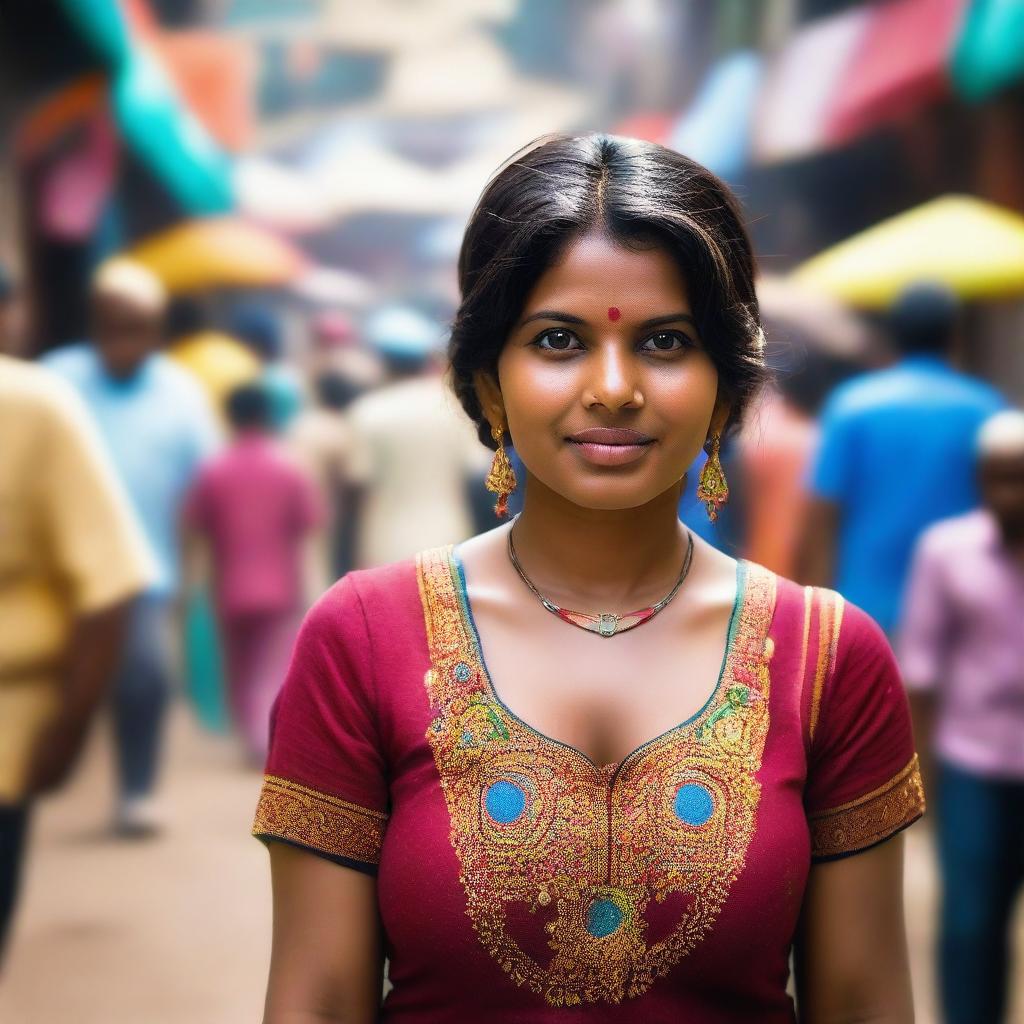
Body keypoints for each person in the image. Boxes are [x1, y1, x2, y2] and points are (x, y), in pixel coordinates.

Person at [253, 134, 925, 1022]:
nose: (614, 388)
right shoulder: (365, 637)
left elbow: (863, 999)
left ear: (726, 389)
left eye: (666, 342)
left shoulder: (826, 657)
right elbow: (317, 998)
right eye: (559, 339)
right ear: (488, 383)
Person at [43, 258, 221, 836]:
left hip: (143, 572)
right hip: (53, 571)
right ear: (94, 325)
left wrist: (195, 572)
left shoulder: (182, 394)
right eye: (112, 327)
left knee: (143, 677)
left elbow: (202, 491)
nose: (123, 342)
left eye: (137, 328)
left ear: (156, 330)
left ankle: (136, 789)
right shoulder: (56, 382)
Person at [0, 356, 152, 963]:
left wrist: (67, 729)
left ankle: (137, 790)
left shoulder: (37, 401)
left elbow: (108, 587)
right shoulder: (44, 394)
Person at [898, 408, 1024, 1024]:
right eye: (1002, 477)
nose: (1013, 493)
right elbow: (920, 672)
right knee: (971, 921)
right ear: (980, 480)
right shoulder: (947, 552)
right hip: (974, 761)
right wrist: (924, 783)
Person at [800, 282, 1006, 635]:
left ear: (894, 333)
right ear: (954, 335)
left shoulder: (852, 405)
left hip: (864, 611)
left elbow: (823, 511)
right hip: (960, 612)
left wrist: (813, 610)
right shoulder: (985, 408)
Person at [183, 383, 324, 763]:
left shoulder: (213, 469)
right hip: (280, 585)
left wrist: (193, 585)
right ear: (267, 415)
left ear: (230, 417)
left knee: (239, 666)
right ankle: (263, 739)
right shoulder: (290, 467)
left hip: (229, 586)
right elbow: (308, 527)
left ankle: (252, 734)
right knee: (270, 665)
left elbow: (197, 528)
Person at [344, 304, 490, 568]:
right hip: (449, 538)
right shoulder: (452, 406)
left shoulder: (366, 412)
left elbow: (359, 480)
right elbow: (477, 469)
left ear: (383, 360)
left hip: (384, 545)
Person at [288, 370, 364, 579]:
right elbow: (354, 479)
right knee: (317, 570)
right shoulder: (340, 430)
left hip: (290, 507)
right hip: (322, 510)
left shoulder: (301, 425)